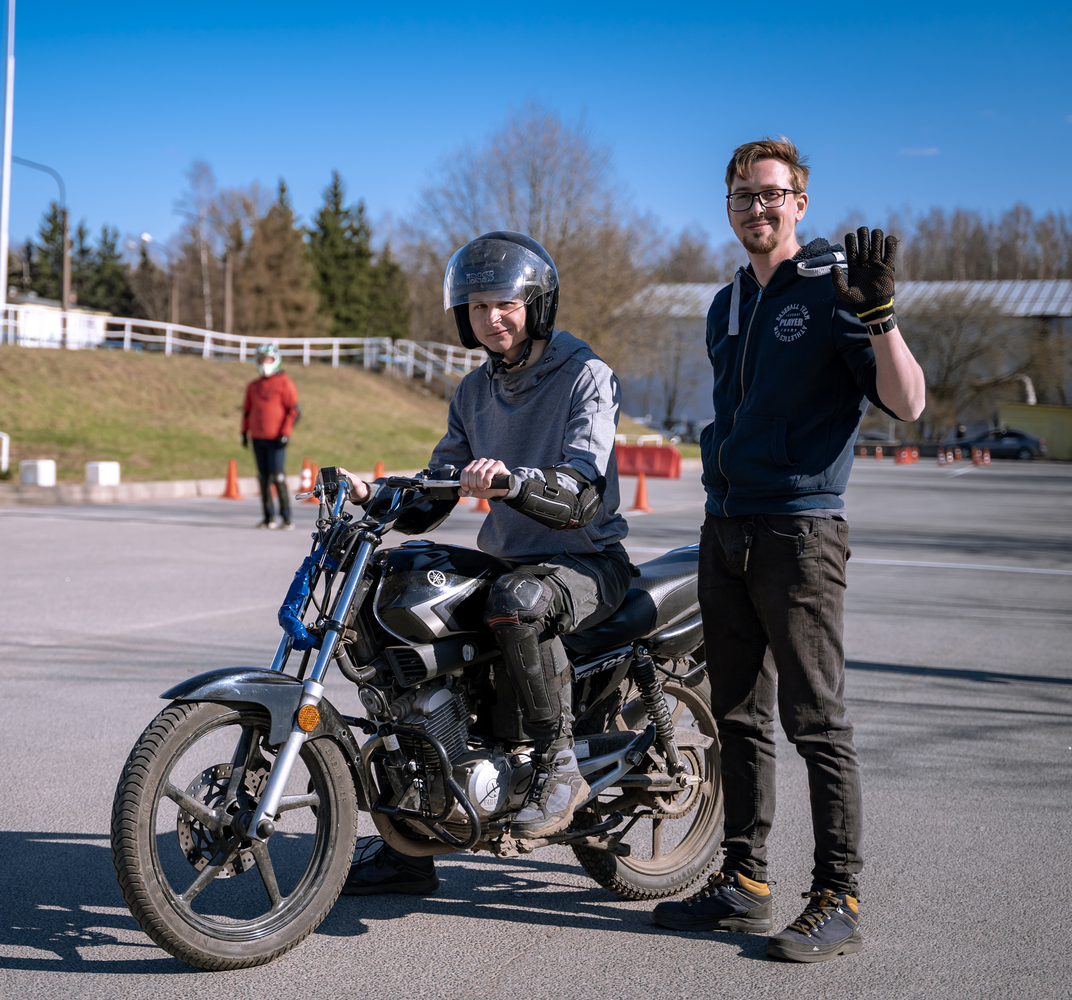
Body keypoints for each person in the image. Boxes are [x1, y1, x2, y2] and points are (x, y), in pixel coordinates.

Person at [650, 138, 925, 963]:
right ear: (729, 208)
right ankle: (746, 884)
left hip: (801, 533)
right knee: (737, 716)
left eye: (771, 195)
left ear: (800, 203)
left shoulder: (837, 286)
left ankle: (837, 897)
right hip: (724, 527)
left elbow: (907, 404)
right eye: (742, 196)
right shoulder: (726, 303)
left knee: (815, 722)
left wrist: (879, 315)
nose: (756, 209)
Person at [334, 231, 633, 895]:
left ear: (537, 305)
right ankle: (409, 843)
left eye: (505, 304)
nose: (490, 318)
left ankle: (558, 764)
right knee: (393, 605)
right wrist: (374, 494)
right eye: (475, 308)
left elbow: (583, 488)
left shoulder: (586, 375)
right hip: (511, 563)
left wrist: (515, 483)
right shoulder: (473, 391)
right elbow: (436, 486)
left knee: (518, 601)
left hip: (585, 563)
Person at [241, 345, 300, 530]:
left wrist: (285, 433)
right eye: (261, 360)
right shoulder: (253, 386)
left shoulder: (285, 383)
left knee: (278, 477)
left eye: (268, 360)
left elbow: (294, 410)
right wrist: (244, 432)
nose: (264, 363)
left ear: (276, 361)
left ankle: (286, 517)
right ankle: (268, 517)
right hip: (258, 437)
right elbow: (247, 411)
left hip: (277, 439)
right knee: (263, 477)